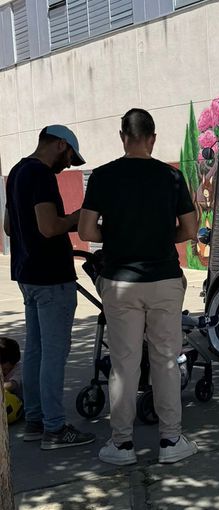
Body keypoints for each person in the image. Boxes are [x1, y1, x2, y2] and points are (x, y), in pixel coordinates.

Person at [78, 108, 199, 466]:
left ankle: (122, 445)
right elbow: (190, 230)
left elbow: (86, 231)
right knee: (164, 360)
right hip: (163, 278)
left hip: (119, 282)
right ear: (153, 138)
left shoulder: (102, 176)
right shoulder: (172, 177)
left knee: (124, 364)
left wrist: (115, 239)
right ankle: (171, 440)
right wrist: (163, 240)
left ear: (122, 137)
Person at [4, 125, 96, 449]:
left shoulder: (16, 172)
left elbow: (7, 227)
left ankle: (35, 421)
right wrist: (76, 217)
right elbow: (49, 227)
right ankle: (55, 429)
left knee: (36, 351)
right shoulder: (42, 175)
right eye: (70, 156)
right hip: (51, 278)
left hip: (27, 275)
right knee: (54, 355)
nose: (69, 164)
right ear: (59, 145)